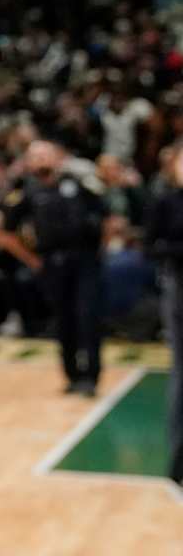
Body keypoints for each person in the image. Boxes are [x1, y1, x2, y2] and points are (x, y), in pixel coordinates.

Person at [0, 140, 108, 396]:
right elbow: (5, 233)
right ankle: (72, 375)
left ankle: (91, 377)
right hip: (52, 263)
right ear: (28, 162)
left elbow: (106, 217)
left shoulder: (79, 184)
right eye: (34, 156)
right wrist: (32, 259)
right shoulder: (26, 192)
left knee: (87, 317)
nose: (41, 160)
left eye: (45, 154)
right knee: (64, 321)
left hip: (85, 260)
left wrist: (99, 250)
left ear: (58, 157)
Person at [147, 143, 183, 483]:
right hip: (178, 290)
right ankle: (177, 460)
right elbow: (151, 245)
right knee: (180, 374)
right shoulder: (165, 202)